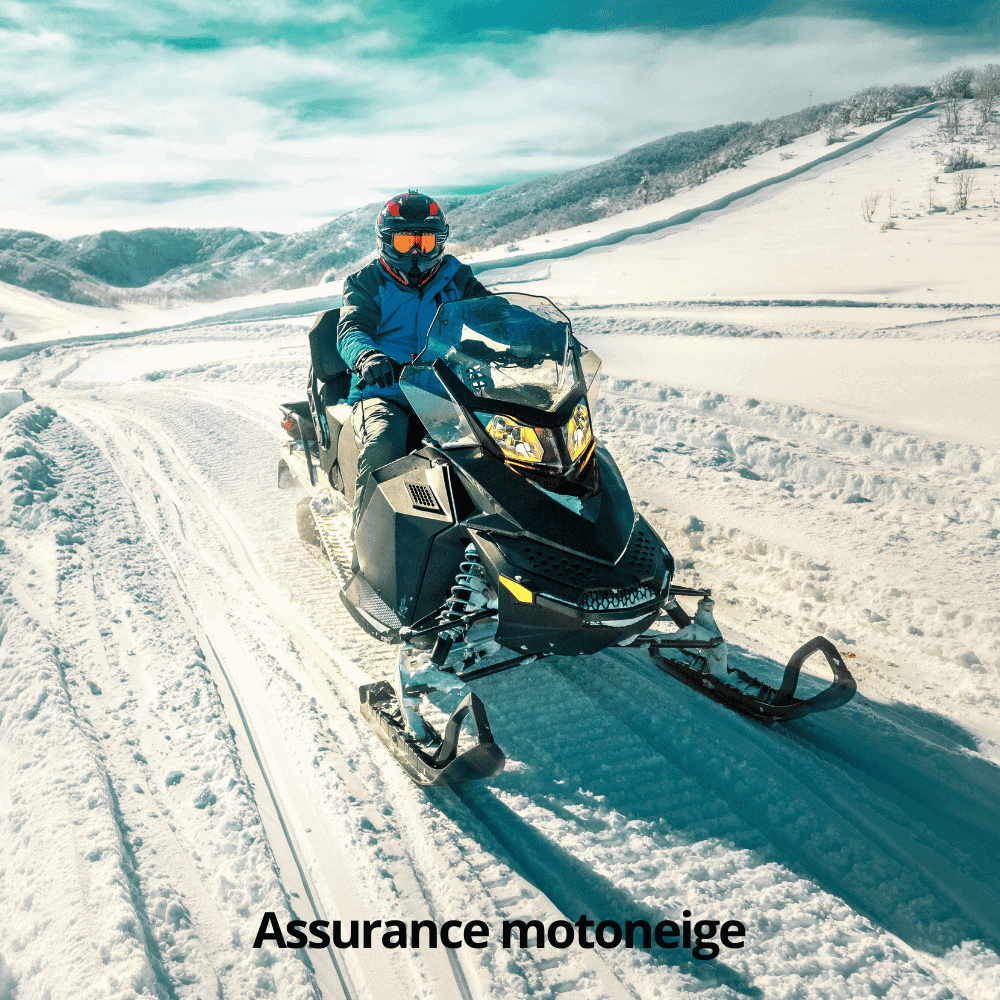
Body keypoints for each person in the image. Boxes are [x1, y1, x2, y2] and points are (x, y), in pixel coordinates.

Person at [337, 190, 490, 534]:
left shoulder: (457, 278)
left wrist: (536, 335)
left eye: (426, 241)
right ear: (387, 243)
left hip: (446, 390)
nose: (418, 252)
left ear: (441, 242)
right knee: (384, 445)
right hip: (384, 390)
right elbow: (351, 328)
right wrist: (367, 356)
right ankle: (367, 543)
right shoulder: (366, 282)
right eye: (407, 243)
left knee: (503, 444)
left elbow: (496, 315)